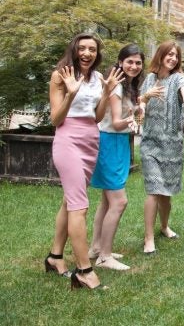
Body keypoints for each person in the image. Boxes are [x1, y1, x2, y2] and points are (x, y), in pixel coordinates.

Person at [45, 33, 121, 289]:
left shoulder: (98, 78)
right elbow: (56, 119)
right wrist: (70, 93)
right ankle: (84, 271)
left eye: (92, 49)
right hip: (68, 141)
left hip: (91, 140)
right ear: (74, 50)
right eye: (83, 48)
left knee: (70, 201)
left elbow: (97, 117)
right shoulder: (60, 76)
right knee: (79, 206)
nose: (87, 53)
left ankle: (55, 257)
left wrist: (106, 93)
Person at [88, 44, 144, 270]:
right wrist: (135, 119)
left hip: (117, 142)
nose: (134, 66)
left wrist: (136, 112)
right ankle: (105, 256)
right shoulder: (117, 87)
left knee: (106, 200)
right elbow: (115, 122)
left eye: (138, 62)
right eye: (129, 61)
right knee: (120, 201)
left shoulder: (127, 87)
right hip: (109, 142)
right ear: (120, 62)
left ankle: (96, 248)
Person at [139, 40, 184, 254]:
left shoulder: (178, 78)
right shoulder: (150, 79)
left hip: (172, 144)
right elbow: (141, 101)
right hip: (150, 143)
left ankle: (164, 226)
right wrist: (144, 103)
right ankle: (148, 237)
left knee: (166, 193)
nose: (172, 58)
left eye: (175, 55)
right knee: (154, 189)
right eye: (169, 54)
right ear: (161, 55)